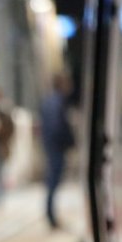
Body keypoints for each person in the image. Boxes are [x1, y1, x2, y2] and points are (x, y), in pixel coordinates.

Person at [40, 72, 76, 229]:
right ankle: (51, 216)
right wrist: (69, 142)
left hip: (50, 146)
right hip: (56, 147)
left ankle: (50, 214)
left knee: (52, 181)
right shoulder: (58, 102)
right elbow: (57, 127)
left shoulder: (49, 101)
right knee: (53, 181)